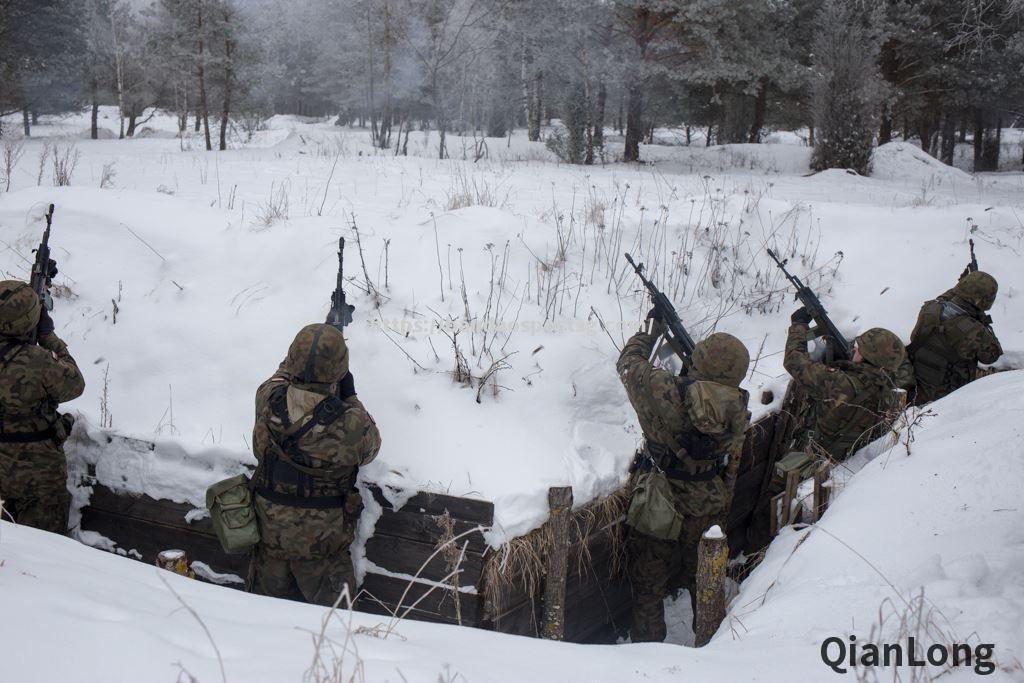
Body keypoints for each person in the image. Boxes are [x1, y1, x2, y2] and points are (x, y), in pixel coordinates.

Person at [617, 311, 751, 643]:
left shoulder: (663, 387)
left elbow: (628, 364)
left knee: (648, 583)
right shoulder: (738, 404)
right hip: (709, 498)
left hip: (659, 499)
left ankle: (648, 652)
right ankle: (712, 643)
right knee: (703, 577)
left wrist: (648, 333)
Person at [248, 323, 381, 606]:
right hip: (324, 557)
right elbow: (371, 449)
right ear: (340, 370)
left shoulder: (267, 400)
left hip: (270, 544)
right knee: (332, 638)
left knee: (262, 629)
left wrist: (307, 355)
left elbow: (281, 374)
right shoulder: (352, 423)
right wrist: (350, 394)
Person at [0, 280, 85, 534]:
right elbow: (75, 384)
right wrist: (49, 339)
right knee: (44, 551)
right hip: (38, 473)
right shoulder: (37, 361)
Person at [784, 307, 906, 461]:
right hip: (846, 458)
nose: (854, 349)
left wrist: (798, 325)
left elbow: (794, 361)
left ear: (867, 356)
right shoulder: (885, 390)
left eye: (859, 348)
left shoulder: (841, 383)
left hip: (813, 458)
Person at [907, 271, 1002, 405]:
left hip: (916, 389)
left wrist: (964, 286)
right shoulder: (974, 330)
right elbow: (992, 355)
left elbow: (944, 298)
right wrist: (983, 322)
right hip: (946, 398)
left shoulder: (930, 307)